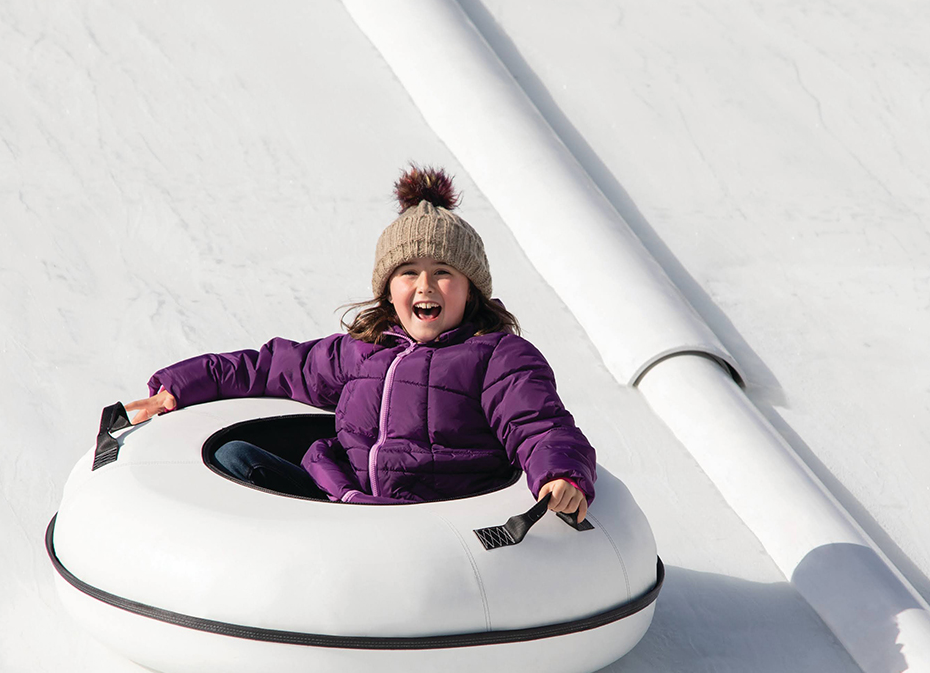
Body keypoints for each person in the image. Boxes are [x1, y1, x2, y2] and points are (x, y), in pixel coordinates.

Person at [126, 166, 595, 522]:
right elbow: (271, 366)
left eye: (444, 273)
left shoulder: (496, 357)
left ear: (470, 289)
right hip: (343, 504)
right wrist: (176, 386)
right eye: (409, 273)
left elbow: (538, 423)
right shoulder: (361, 351)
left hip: (432, 525)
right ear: (389, 290)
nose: (425, 286)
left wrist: (559, 473)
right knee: (235, 459)